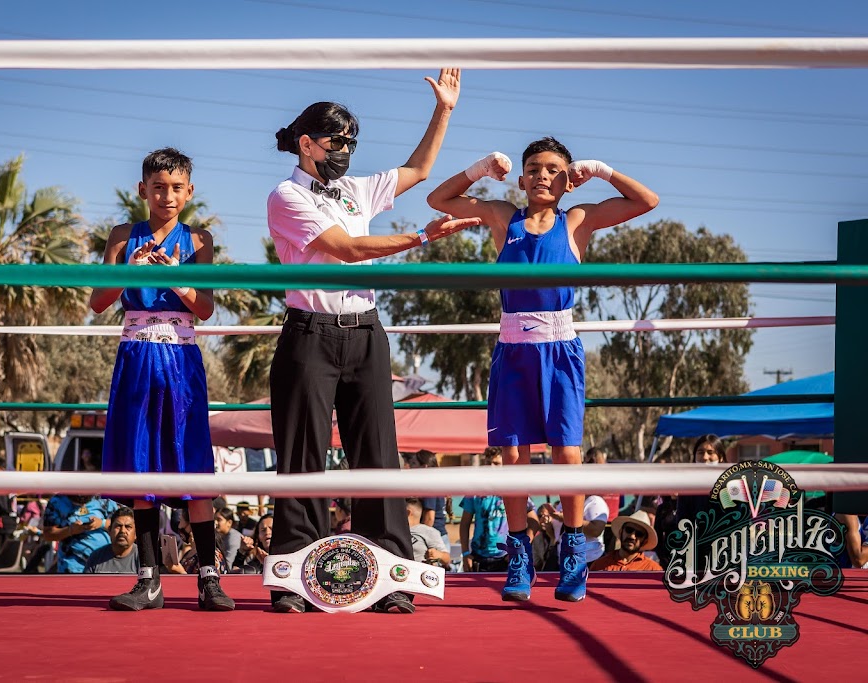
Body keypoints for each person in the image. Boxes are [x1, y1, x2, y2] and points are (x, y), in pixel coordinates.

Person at [265, 69, 479, 615]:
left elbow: (420, 168)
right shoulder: (285, 195)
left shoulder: (356, 189)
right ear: (307, 143)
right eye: (336, 142)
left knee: (379, 455)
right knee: (302, 457)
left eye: (351, 144)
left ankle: (388, 576)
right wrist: (422, 237)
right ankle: (294, 578)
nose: (345, 152)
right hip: (308, 333)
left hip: (366, 332)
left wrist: (445, 110)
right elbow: (347, 249)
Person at [427, 137, 659, 602]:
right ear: (521, 178)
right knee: (513, 458)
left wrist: (600, 168)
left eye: (553, 168)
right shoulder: (501, 217)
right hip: (513, 348)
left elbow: (646, 201)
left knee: (566, 457)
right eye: (533, 168)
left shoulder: (578, 220)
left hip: (560, 348)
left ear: (567, 178)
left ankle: (574, 554)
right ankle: (520, 559)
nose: (542, 175)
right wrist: (479, 167)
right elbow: (439, 200)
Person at [88, 147, 234, 612]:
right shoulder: (121, 235)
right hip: (135, 356)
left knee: (192, 465)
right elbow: (97, 302)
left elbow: (206, 308)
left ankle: (208, 578)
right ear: (142, 190)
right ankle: (148, 579)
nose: (166, 195)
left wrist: (176, 278)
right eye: (158, 187)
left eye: (175, 188)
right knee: (140, 464)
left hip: (182, 360)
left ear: (188, 192)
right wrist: (131, 269)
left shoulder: (198, 241)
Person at [459, 449, 509, 572]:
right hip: (479, 557)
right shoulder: (475, 490)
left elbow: (533, 521)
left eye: (496, 463)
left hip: (506, 557)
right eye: (488, 463)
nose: (491, 467)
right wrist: (465, 553)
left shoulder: (512, 488)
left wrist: (518, 550)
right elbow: (464, 523)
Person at [42, 494, 117, 574]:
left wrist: (101, 523)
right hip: (71, 568)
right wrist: (70, 530)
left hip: (103, 564)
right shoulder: (57, 501)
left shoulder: (105, 499)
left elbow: (121, 525)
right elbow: (48, 534)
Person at [590, 510, 663, 571]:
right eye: (629, 530)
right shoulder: (599, 565)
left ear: (645, 540)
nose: (632, 536)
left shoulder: (653, 570)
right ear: (621, 532)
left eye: (639, 534)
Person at [85, 507, 140, 574]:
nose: (122, 531)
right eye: (118, 526)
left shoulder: (143, 558)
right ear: (109, 531)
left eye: (128, 527)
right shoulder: (96, 557)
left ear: (136, 533)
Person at [406, 498, 450, 567]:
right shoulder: (394, 530)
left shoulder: (428, 531)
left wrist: (439, 555)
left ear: (408, 512)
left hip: (419, 573)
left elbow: (447, 559)